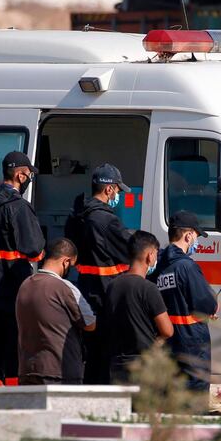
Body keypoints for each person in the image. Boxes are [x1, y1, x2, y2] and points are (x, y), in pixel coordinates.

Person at [0, 151, 45, 385]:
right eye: (28, 175)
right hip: (13, 292)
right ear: (19, 175)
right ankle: (16, 406)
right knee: (15, 353)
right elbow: (34, 248)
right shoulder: (18, 207)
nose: (29, 180)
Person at [64, 163, 132, 384]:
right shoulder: (106, 220)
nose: (119, 194)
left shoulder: (77, 215)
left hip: (85, 290)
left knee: (91, 354)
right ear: (109, 189)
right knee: (106, 355)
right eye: (118, 190)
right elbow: (130, 250)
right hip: (106, 295)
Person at [149, 211, 218, 392]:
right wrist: (213, 304)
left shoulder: (159, 267)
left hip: (168, 343)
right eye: (196, 236)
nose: (197, 241)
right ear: (188, 235)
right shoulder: (187, 266)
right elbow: (206, 304)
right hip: (192, 344)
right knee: (194, 398)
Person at [16, 238, 96, 385]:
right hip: (59, 373)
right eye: (71, 265)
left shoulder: (25, 286)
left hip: (27, 371)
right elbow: (89, 324)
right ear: (66, 262)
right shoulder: (64, 287)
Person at [105, 231, 173, 384]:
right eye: (156, 254)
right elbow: (167, 330)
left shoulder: (112, 285)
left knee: (121, 408)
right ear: (149, 255)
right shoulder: (148, 288)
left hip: (117, 363)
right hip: (143, 365)